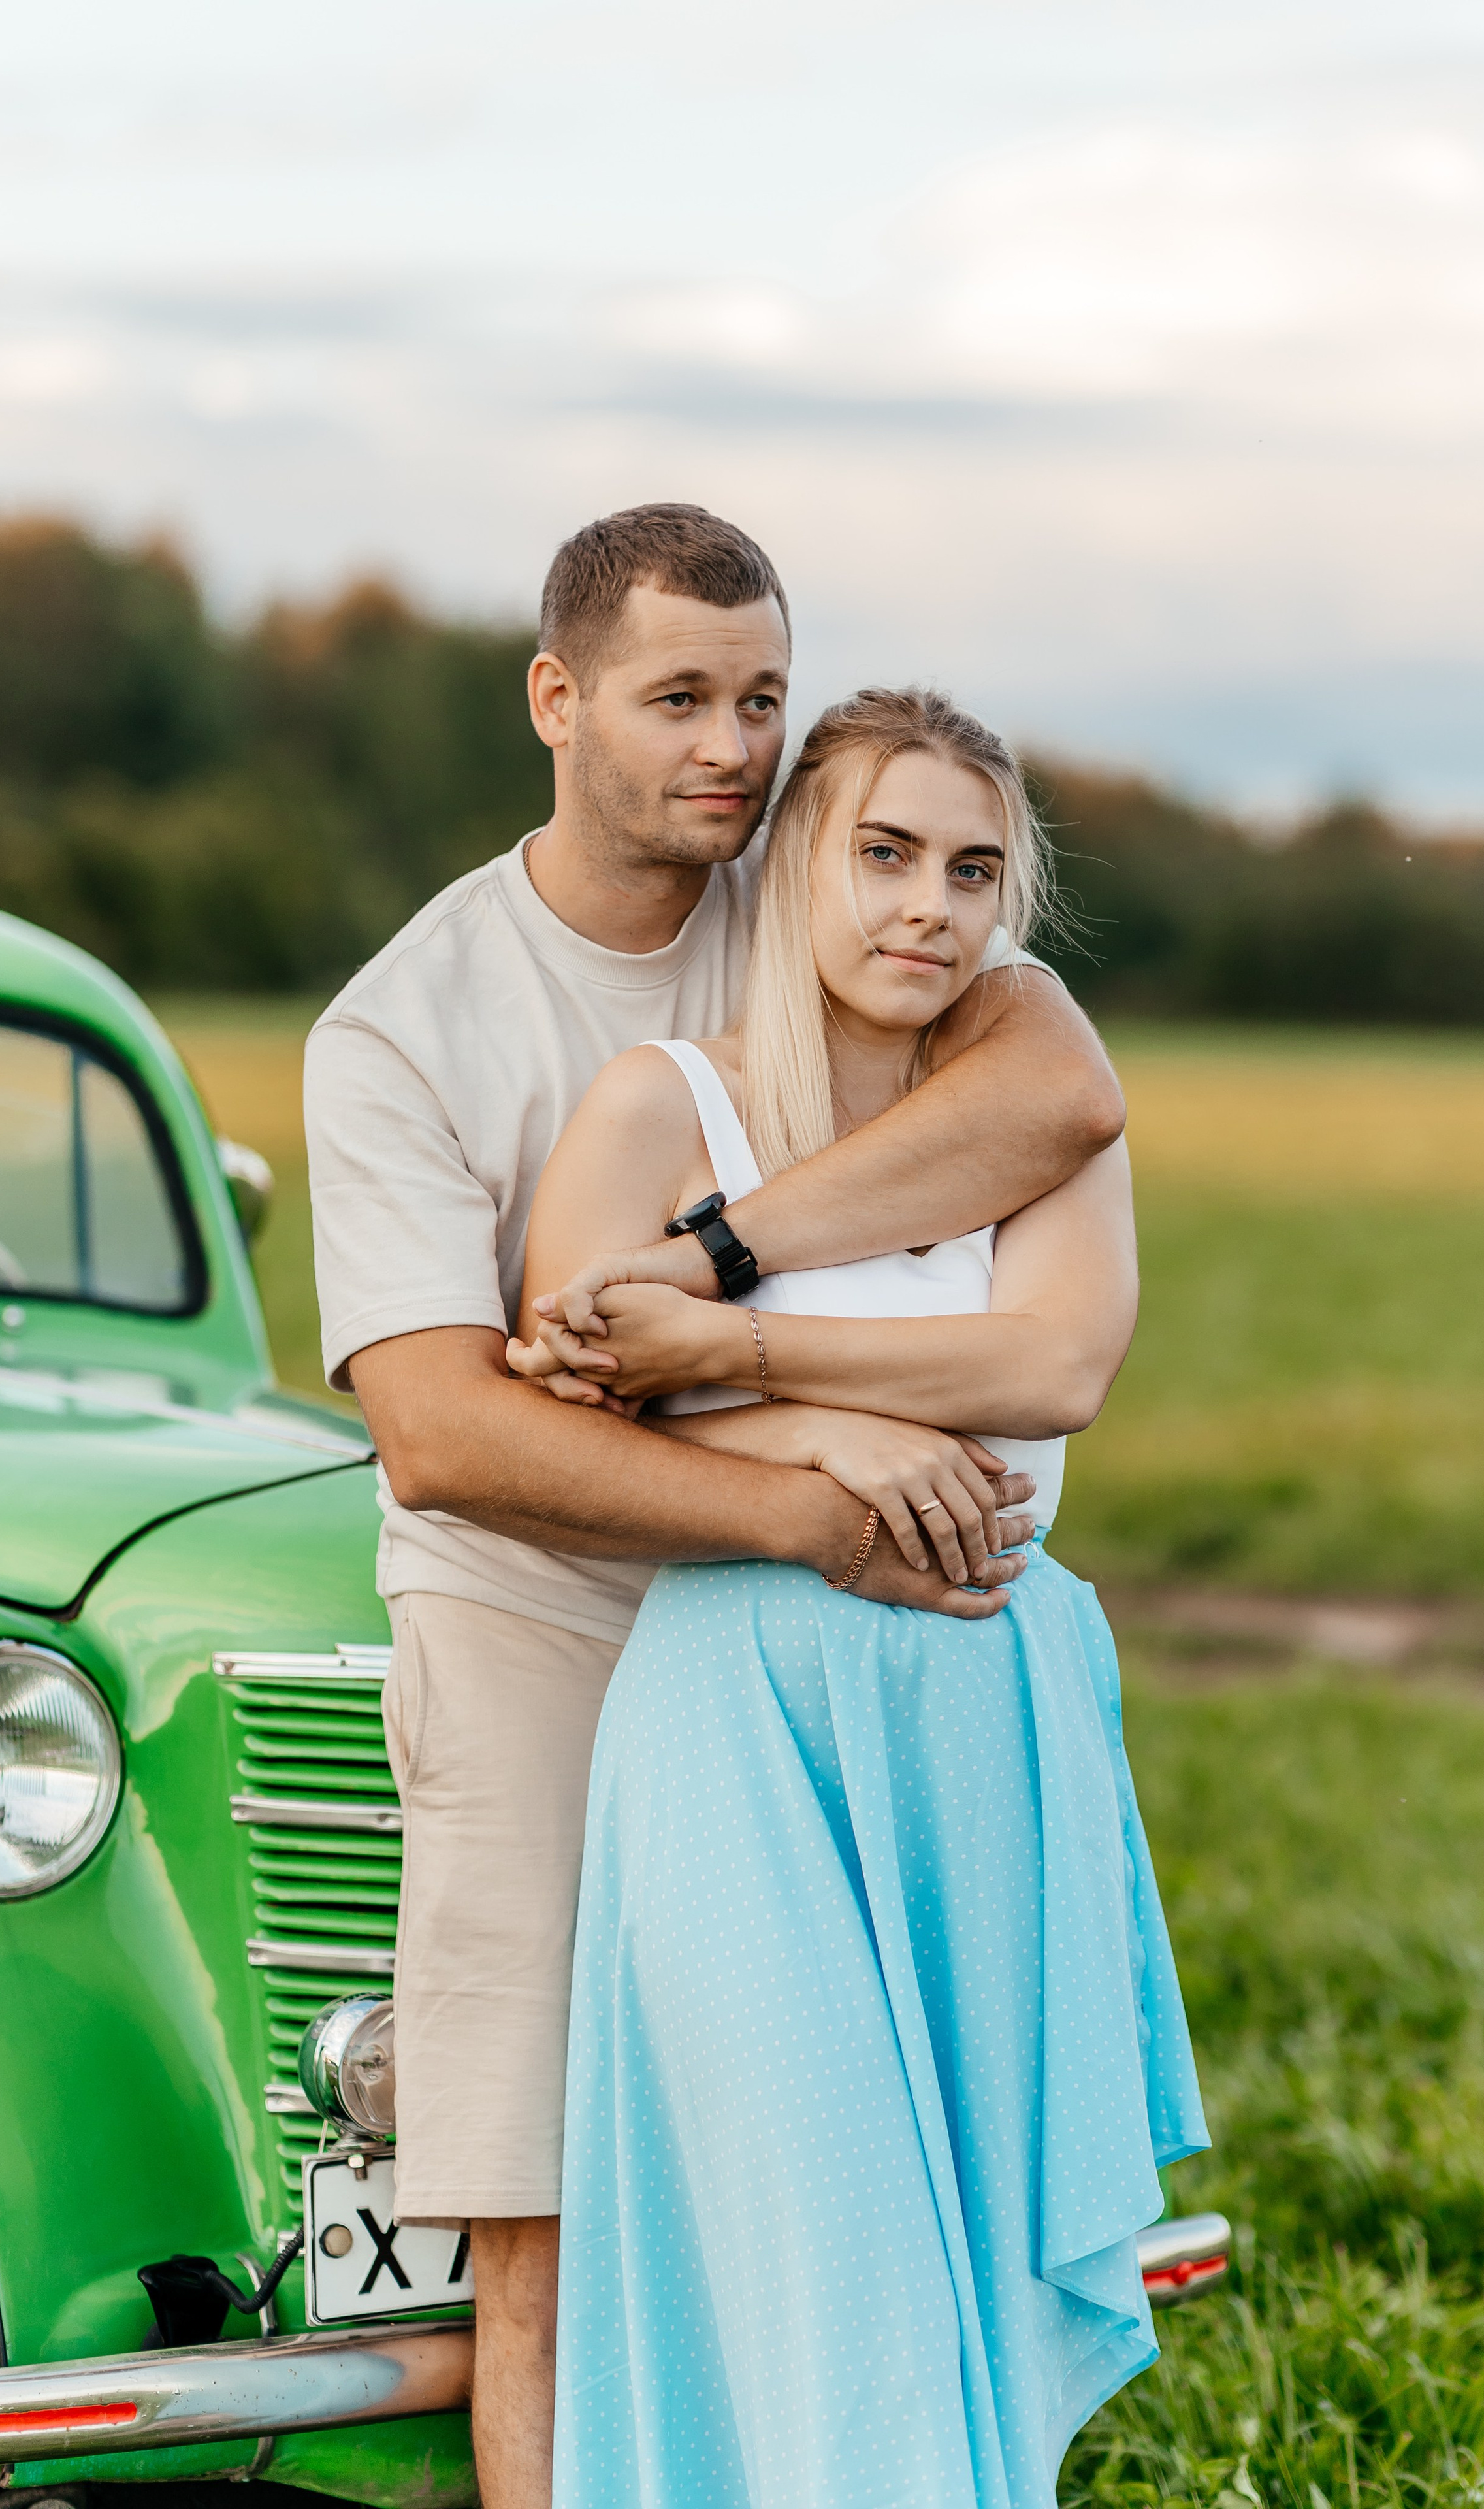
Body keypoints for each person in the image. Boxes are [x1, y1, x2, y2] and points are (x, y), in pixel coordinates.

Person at [304, 507, 1127, 2509]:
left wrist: (730, 1274)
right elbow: (453, 1432)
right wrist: (812, 1490)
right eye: (680, 699)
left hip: (813, 1652)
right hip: (538, 1619)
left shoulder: (822, 887)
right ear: (554, 701)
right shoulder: (403, 1026)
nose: (732, 747)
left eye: (762, 699)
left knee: (859, 2159)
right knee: (547, 2211)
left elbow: (1052, 1088)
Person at [509, 687, 1208, 2509]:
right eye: (884, 854)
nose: (930, 907)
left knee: (960, 2242)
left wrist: (746, 1352)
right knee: (818, 2250)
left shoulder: (1042, 1118)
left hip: (992, 1705)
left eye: (975, 871)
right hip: (744, 1717)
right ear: (793, 865)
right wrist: (828, 1430)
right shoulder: (659, 1105)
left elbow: (1055, 1365)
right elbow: (579, 1357)